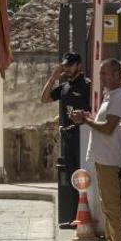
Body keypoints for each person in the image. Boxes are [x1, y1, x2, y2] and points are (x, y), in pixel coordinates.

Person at [70, 59, 121, 241]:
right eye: (100, 74)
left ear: (116, 74)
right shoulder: (110, 96)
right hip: (101, 157)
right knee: (107, 205)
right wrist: (87, 118)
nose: (102, 77)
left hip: (110, 158)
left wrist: (86, 121)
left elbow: (108, 128)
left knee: (112, 206)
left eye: (105, 73)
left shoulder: (120, 96)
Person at [41, 52, 91, 229]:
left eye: (70, 65)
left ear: (79, 65)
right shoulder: (64, 87)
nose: (66, 68)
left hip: (83, 136)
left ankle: (87, 216)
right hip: (68, 137)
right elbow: (44, 98)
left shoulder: (87, 85)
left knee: (84, 176)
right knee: (72, 178)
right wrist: (54, 76)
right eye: (65, 65)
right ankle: (75, 217)